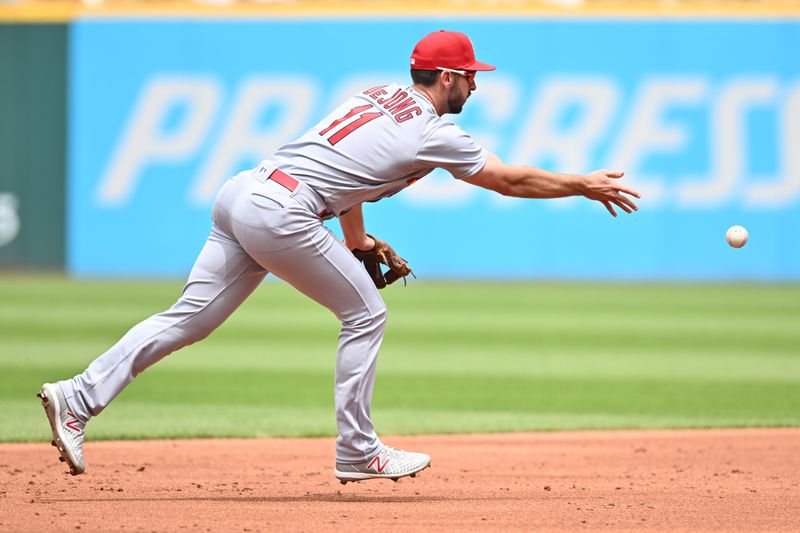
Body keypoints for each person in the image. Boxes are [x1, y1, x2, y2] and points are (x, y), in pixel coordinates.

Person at [38, 29, 640, 483]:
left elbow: (345, 179)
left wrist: (358, 243)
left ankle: (79, 396)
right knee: (366, 316)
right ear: (447, 78)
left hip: (245, 192)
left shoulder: (377, 94)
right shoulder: (433, 130)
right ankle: (358, 450)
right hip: (281, 211)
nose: (476, 83)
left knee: (190, 317)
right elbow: (509, 181)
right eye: (470, 74)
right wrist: (581, 184)